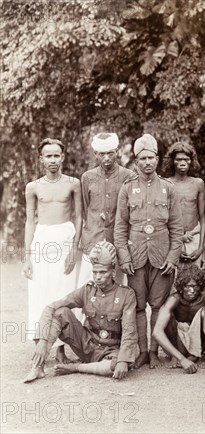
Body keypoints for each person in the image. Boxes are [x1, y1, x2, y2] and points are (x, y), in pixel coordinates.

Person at [114, 133, 184, 369]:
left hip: (162, 257)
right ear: (136, 161)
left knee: (157, 306)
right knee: (137, 305)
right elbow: (120, 226)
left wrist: (173, 257)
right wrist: (123, 256)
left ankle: (154, 351)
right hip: (135, 257)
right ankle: (142, 351)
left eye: (151, 158)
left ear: (157, 159)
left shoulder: (168, 188)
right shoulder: (127, 188)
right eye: (142, 158)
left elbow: (176, 226)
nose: (147, 163)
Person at [23, 241, 137, 383]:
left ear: (113, 273)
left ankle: (77, 367)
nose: (98, 277)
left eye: (103, 272)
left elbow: (129, 331)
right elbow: (51, 307)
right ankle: (38, 367)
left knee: (117, 365)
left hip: (110, 351)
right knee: (61, 312)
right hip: (86, 345)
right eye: (95, 272)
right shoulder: (87, 290)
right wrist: (42, 339)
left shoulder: (126, 294)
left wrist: (123, 360)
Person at [23, 138, 83, 364]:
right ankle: (40, 342)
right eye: (48, 156)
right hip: (42, 239)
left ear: (63, 157)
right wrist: (27, 257)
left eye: (56, 155)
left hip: (65, 237)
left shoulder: (73, 183)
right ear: (41, 159)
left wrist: (74, 248)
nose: (53, 160)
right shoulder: (33, 187)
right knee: (40, 291)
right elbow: (30, 221)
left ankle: (60, 348)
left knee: (63, 293)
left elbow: (79, 217)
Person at [80, 133, 136, 284]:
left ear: (117, 152)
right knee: (89, 283)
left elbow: (132, 211)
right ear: (95, 154)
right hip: (93, 237)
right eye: (102, 154)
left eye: (110, 153)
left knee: (116, 284)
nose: (106, 158)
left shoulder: (128, 176)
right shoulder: (87, 177)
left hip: (118, 239)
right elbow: (85, 209)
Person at [152, 263, 205, 374]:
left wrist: (198, 352)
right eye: (187, 286)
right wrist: (181, 359)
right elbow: (156, 332)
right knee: (169, 319)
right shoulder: (174, 299)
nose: (192, 291)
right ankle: (176, 355)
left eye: (195, 286)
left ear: (200, 286)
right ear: (181, 287)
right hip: (176, 343)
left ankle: (195, 355)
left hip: (197, 343)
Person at [164, 142, 205, 266]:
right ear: (172, 161)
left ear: (191, 161)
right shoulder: (166, 184)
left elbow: (203, 218)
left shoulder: (198, 184)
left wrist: (200, 247)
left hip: (195, 237)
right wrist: (176, 242)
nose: (183, 163)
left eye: (186, 159)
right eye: (179, 159)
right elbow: (163, 218)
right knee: (174, 281)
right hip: (173, 239)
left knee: (195, 280)